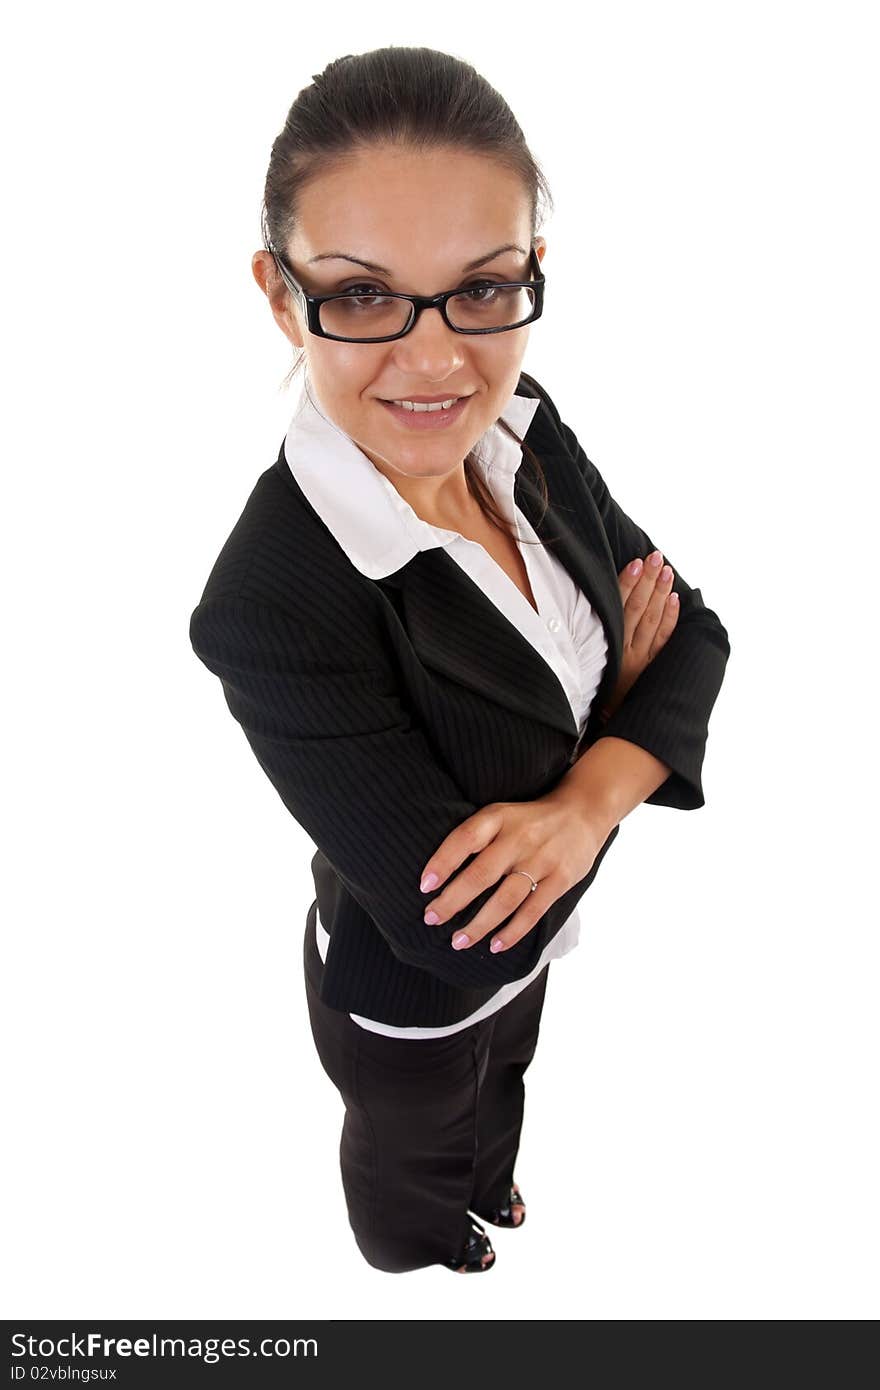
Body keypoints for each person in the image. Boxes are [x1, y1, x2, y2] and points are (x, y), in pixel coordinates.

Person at [188, 46, 730, 1276]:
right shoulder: (270, 604)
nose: (438, 362)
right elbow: (464, 937)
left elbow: (695, 633)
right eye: (366, 296)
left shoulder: (522, 430)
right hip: (407, 989)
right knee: (411, 1136)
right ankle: (420, 1243)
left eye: (481, 290)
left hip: (539, 942)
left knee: (510, 1069)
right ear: (281, 296)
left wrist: (573, 811)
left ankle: (489, 1173)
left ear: (529, 275)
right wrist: (620, 754)